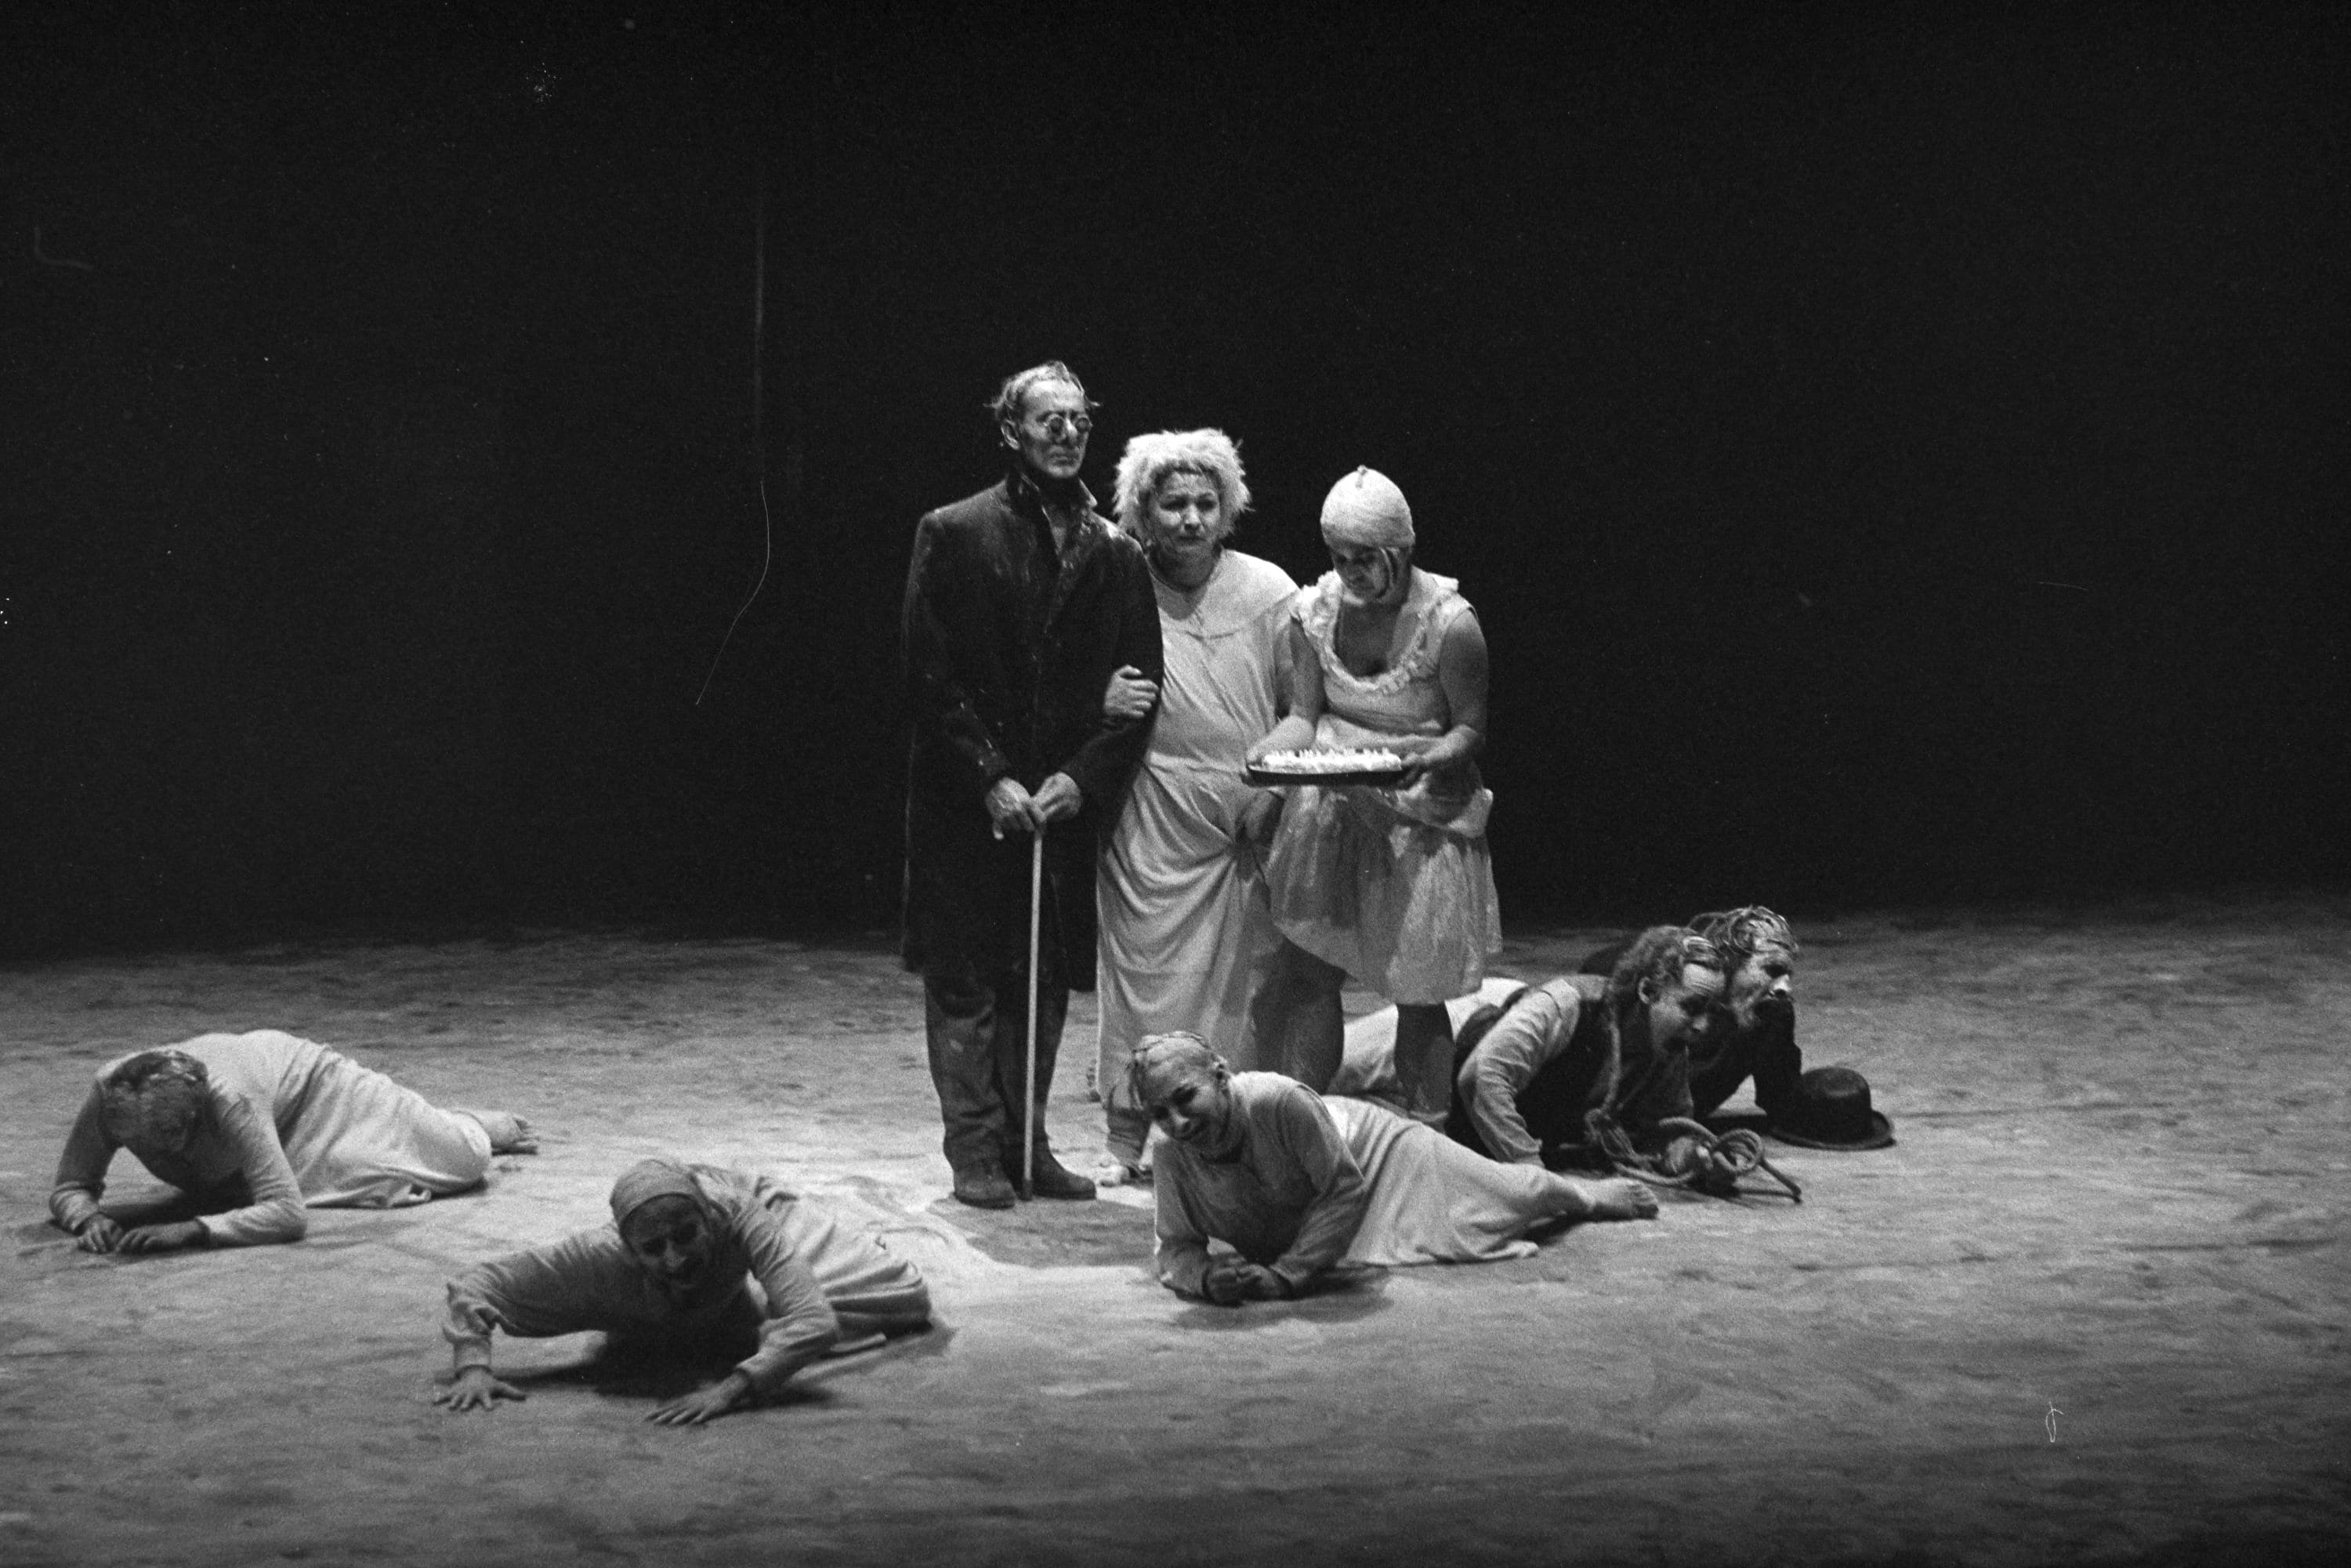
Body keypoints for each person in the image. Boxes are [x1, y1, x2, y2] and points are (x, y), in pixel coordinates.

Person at [901, 361, 1162, 1208]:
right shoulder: (954, 530)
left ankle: (1029, 1145)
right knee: (969, 979)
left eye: (1078, 420)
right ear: (1010, 431)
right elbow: (929, 679)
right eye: (1046, 420)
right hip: (967, 805)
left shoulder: (1116, 550)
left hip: (1058, 806)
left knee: (1041, 983)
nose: (1065, 433)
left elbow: (1138, 690)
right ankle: (976, 1151)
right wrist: (990, 779)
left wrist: (1080, 782)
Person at [1250, 466, 1499, 1121]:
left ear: (1402, 551)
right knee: (1311, 974)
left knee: (1417, 990)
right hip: (1331, 811)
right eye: (1340, 558)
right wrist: (1269, 755)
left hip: (1420, 816)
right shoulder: (1316, 611)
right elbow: (1303, 714)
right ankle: (1300, 1122)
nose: (1351, 572)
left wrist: (1433, 754)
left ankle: (1428, 1135)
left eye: (1368, 559)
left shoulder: (1451, 624)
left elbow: (1470, 727)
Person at [1091, 429, 1298, 1184]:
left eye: (1205, 503)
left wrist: (1271, 784)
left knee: (1243, 986)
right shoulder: (1112, 581)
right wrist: (1098, 697)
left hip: (1244, 812)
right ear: (1142, 508)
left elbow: (1303, 704)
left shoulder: (1271, 590)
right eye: (1172, 503)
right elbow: (1058, 678)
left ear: (1228, 507)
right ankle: (1123, 1141)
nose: (1189, 519)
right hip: (1151, 810)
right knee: (1140, 977)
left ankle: (1237, 1136)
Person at [1126, 1032, 1656, 1305]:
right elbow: (1174, 1247)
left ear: (1220, 1076)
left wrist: (1288, 1277)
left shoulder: (1277, 1099)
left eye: (1184, 1097)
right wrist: (1203, 1279)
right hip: (1303, 1221)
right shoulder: (1173, 1154)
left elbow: (1343, 1186)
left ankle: (1586, 1197)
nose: (1176, 1121)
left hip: (1378, 1155)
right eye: (1158, 1113)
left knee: (1515, 1194)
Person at [436, 1157, 932, 1425]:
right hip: (709, 1287)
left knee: (905, 1293)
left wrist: (733, 1390)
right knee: (752, 1326)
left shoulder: (736, 1215)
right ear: (630, 1249)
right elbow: (478, 1284)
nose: (675, 1258)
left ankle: (825, 1230)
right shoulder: (600, 1256)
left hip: (746, 1201)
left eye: (686, 1237)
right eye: (654, 1248)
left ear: (708, 1223)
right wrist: (473, 1366)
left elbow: (814, 1320)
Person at [49, 1030, 537, 1251]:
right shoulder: (110, 1094)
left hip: (316, 1095)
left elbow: (286, 1212)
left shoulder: (229, 1099)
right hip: (250, 1145)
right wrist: (87, 1219)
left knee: (462, 1160)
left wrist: (194, 1230)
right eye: (141, 1145)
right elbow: (70, 1186)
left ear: (195, 1117)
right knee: (241, 1190)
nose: (154, 1157)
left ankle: (471, 1122)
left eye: (168, 1142)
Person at [1335, 927, 1730, 1169]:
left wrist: (1692, 1158)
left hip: (1470, 1086)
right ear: (1648, 991)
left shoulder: (1670, 1048)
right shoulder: (1571, 1005)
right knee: (1320, 1073)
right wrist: (1530, 1169)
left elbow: (1669, 1129)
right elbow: (1484, 1075)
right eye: (1692, 1008)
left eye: (1709, 1011)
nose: (1703, 1026)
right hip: (1467, 1022)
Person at [1578, 906, 1893, 1149]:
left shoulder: (1770, 1014)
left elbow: (1780, 1097)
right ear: (1730, 960)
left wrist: (1832, 1108)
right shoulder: (1656, 980)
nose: (1784, 988)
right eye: (1771, 970)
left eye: (1787, 975)